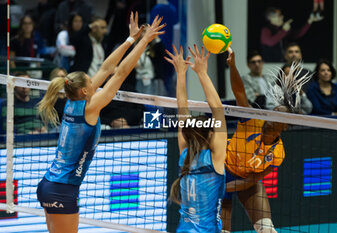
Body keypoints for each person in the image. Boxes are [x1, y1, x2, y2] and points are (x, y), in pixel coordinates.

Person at [36, 13, 165, 233]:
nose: (93, 79)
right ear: (86, 90)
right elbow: (120, 72)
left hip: (50, 185)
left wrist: (130, 39)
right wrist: (145, 40)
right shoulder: (90, 106)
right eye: (90, 80)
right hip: (61, 189)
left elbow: (106, 68)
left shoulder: (72, 102)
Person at [221, 50, 312, 233]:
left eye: (279, 115)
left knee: (267, 229)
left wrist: (224, 187)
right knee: (222, 231)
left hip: (246, 181)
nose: (272, 116)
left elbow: (251, 180)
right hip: (221, 171)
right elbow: (239, 92)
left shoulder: (278, 153)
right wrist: (232, 67)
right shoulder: (252, 121)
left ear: (285, 127)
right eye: (273, 111)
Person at [165, 44, 227, 233]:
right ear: (209, 134)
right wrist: (201, 73)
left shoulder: (185, 155)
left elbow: (182, 109)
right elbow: (218, 109)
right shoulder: (214, 159)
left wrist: (181, 73)